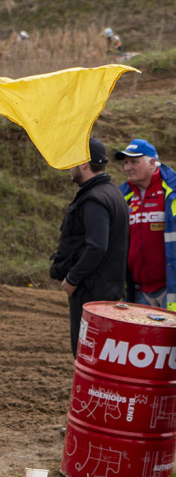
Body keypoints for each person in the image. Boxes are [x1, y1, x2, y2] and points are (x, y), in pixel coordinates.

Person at [50, 138, 128, 356]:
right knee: (102, 354)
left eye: (72, 162)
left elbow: (97, 246)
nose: (69, 168)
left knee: (86, 352)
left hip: (91, 292)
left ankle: (90, 391)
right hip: (107, 288)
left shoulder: (94, 199)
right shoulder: (113, 193)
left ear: (84, 164)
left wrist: (73, 278)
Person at [115, 139, 176, 310]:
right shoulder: (122, 196)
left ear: (151, 163)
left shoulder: (171, 191)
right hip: (138, 291)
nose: (127, 168)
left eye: (134, 161)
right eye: (126, 163)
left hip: (170, 289)